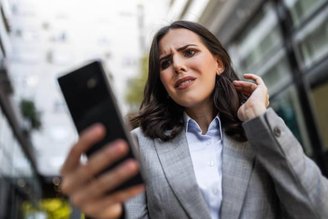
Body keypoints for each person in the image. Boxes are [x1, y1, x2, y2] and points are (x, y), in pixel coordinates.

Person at [60, 21, 328, 219]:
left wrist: (260, 119)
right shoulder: (141, 144)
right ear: (163, 82)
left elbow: (317, 209)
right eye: (165, 63)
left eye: (188, 52)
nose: (177, 65)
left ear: (218, 63)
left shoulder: (259, 132)